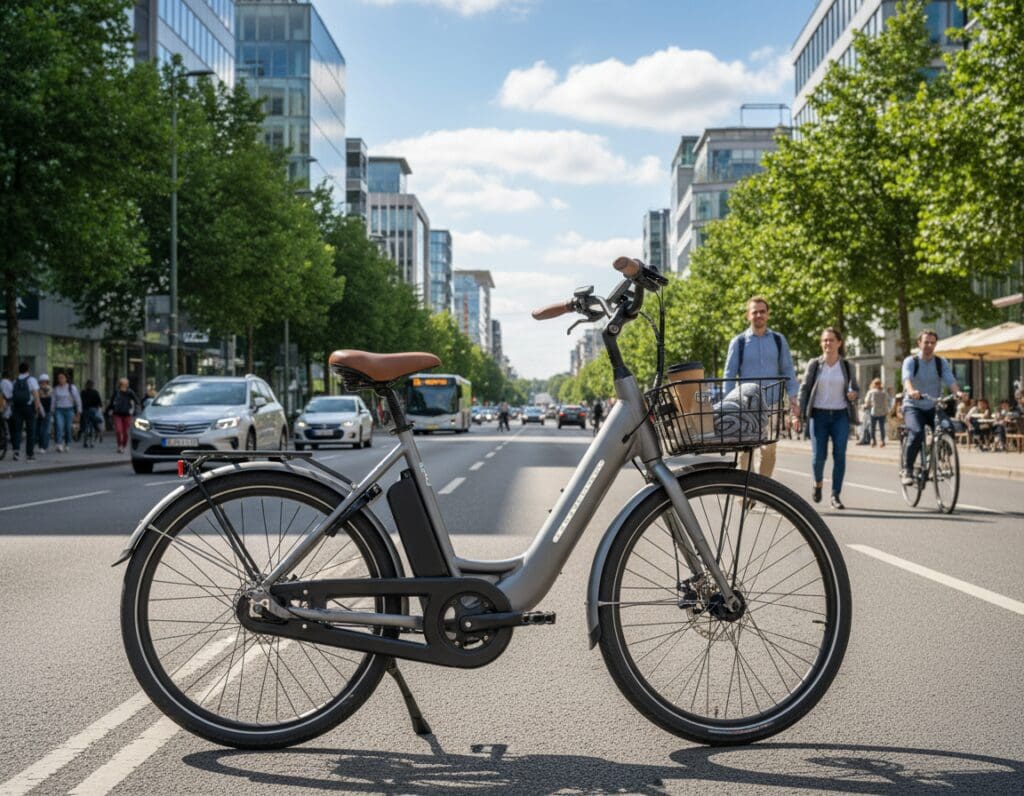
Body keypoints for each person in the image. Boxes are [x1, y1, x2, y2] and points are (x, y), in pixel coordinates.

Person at [723, 296, 800, 478]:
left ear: (768, 314)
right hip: (745, 406)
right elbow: (729, 375)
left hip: (772, 405)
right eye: (755, 312)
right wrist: (727, 405)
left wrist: (793, 396)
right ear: (747, 316)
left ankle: (762, 491)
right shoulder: (739, 342)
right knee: (745, 452)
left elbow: (788, 369)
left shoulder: (779, 341)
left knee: (769, 451)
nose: (759, 315)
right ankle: (744, 494)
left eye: (762, 311)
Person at [798, 327, 860, 509]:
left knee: (839, 455)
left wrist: (853, 394)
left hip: (840, 415)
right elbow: (805, 389)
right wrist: (799, 414)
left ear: (839, 343)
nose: (828, 343)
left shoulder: (847, 366)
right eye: (825, 340)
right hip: (819, 416)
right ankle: (818, 484)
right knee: (819, 456)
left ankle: (835, 495)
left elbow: (855, 389)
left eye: (831, 340)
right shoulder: (815, 365)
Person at [900, 329, 964, 485]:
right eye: (926, 342)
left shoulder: (940, 362)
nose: (929, 345)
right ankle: (907, 469)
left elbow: (950, 380)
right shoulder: (911, 361)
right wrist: (911, 391)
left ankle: (939, 459)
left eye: (932, 342)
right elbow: (906, 378)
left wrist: (958, 392)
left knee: (948, 428)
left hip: (933, 406)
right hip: (913, 406)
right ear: (919, 343)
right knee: (916, 433)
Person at [9, 363, 43, 461]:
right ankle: (29, 454)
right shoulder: (31, 380)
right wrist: (37, 408)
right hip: (28, 408)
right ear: (28, 369)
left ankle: (16, 452)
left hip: (17, 408)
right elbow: (36, 394)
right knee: (30, 431)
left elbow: (12, 395)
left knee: (17, 430)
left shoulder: (15, 381)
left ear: (19, 370)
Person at [106, 377, 141, 454]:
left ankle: (123, 445)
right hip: (117, 414)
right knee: (119, 431)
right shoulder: (116, 392)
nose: (124, 385)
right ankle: (120, 446)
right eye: (123, 384)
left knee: (125, 432)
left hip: (127, 414)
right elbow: (111, 403)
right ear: (120, 384)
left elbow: (137, 401)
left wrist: (135, 411)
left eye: (125, 384)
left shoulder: (130, 392)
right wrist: (107, 411)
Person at [51, 371, 81, 453]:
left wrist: (78, 411)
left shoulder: (72, 388)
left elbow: (77, 400)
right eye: (58, 378)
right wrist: (52, 410)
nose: (60, 379)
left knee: (68, 428)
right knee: (59, 427)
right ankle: (59, 444)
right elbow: (53, 401)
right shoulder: (56, 388)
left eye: (62, 378)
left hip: (69, 409)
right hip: (59, 410)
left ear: (66, 379)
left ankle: (67, 443)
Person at [863, 378, 890, 447]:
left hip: (874, 411)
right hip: (882, 412)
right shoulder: (884, 392)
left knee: (872, 427)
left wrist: (865, 406)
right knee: (882, 427)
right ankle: (882, 441)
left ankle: (873, 440)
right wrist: (887, 411)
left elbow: (867, 401)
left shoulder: (871, 392)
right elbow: (886, 402)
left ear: (873, 384)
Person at [80, 379, 104, 447]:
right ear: (93, 385)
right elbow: (100, 403)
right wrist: (100, 408)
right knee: (94, 423)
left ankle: (85, 441)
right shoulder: (95, 392)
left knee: (85, 425)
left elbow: (80, 401)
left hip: (85, 411)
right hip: (93, 410)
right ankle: (94, 439)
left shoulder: (83, 392)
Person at [35, 373, 54, 454]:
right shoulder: (38, 390)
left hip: (46, 412)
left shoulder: (48, 390)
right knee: (40, 430)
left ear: (47, 382)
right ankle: (41, 446)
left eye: (44, 381)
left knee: (44, 430)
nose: (43, 383)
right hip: (40, 412)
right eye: (41, 381)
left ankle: (43, 446)